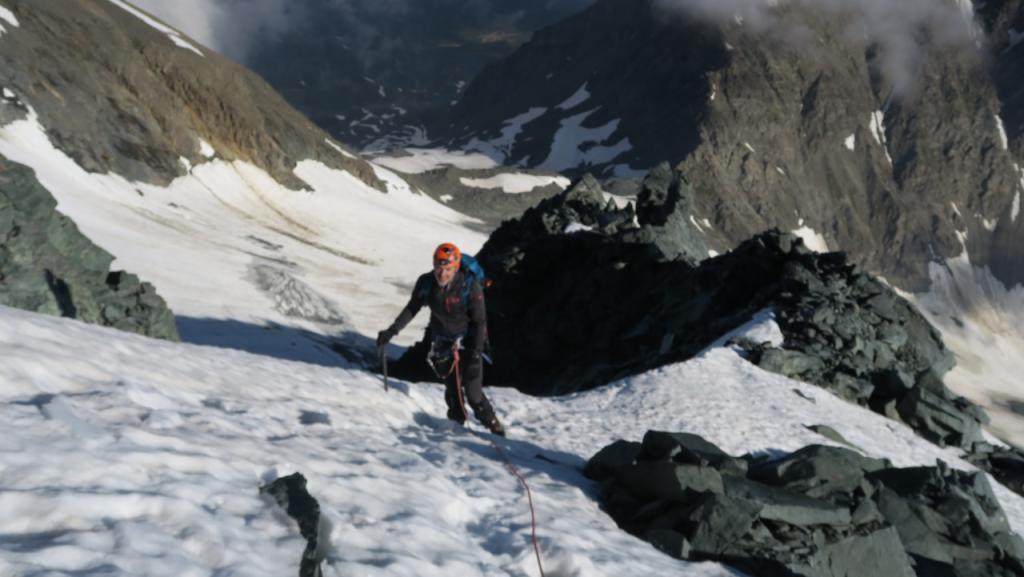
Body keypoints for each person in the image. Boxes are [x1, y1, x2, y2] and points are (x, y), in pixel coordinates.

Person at [377, 243, 505, 436]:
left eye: (448, 269)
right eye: (439, 267)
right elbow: (412, 308)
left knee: (473, 393)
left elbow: (479, 322)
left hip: (470, 340)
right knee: (453, 392)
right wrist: (392, 331)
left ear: (456, 268)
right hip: (443, 341)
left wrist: (475, 354)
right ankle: (456, 432)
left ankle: (492, 424)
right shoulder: (426, 283)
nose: (442, 273)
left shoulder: (469, 285)